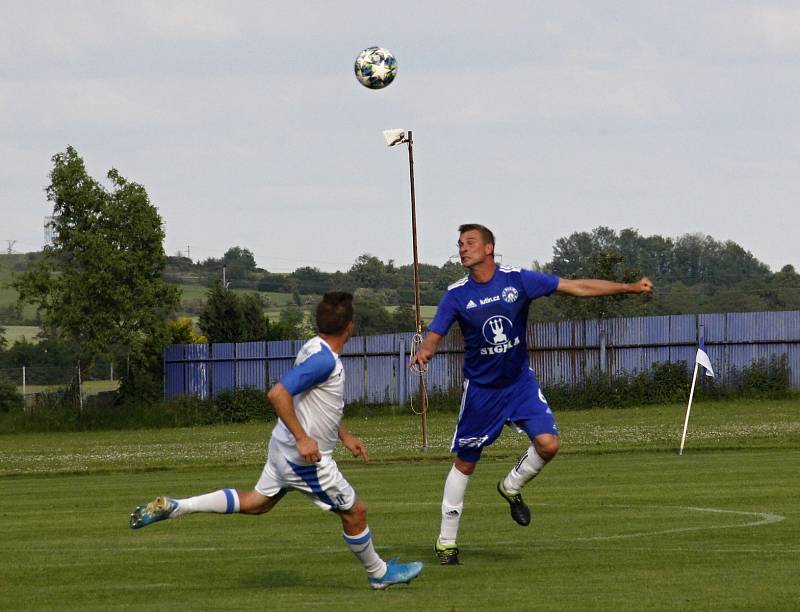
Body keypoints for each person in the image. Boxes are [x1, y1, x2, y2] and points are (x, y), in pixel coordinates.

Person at [130, 291, 423, 590]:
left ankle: (180, 506)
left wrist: (344, 435)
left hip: (282, 449)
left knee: (258, 503)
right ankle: (379, 573)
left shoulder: (313, 347)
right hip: (304, 460)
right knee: (355, 511)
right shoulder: (325, 361)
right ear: (350, 326)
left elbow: (316, 404)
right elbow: (278, 394)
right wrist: (303, 439)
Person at [409, 224, 653, 565]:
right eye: (460, 243)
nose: (463, 248)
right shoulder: (456, 295)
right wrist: (425, 351)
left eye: (470, 242)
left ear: (490, 248)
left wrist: (627, 287)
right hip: (482, 391)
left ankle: (511, 486)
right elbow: (435, 334)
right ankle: (446, 542)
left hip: (520, 383)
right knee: (466, 463)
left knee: (549, 444)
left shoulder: (517, 280)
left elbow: (576, 287)